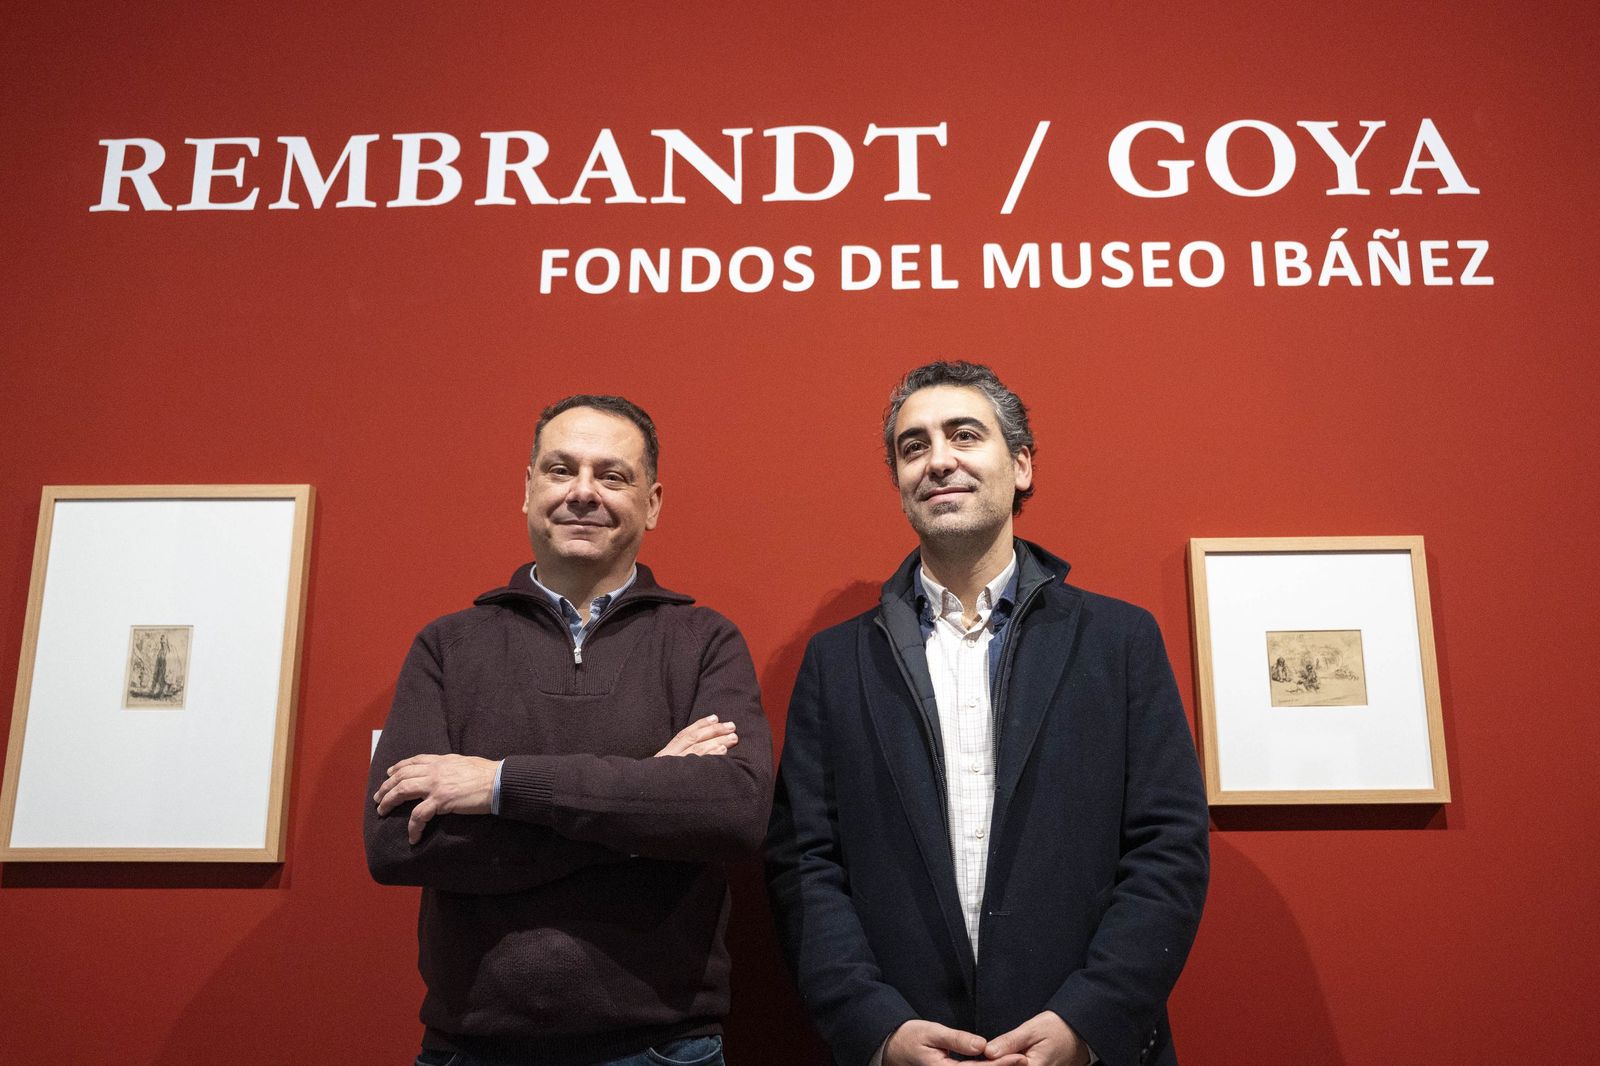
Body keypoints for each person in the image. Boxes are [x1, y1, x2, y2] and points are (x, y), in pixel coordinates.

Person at [766, 362, 1208, 1066]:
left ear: (1022, 465)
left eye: (964, 435)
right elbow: (805, 864)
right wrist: (876, 1028)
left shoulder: (1119, 641)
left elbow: (1169, 848)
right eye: (914, 447)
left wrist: (1087, 1021)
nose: (938, 460)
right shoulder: (835, 663)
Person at [366, 394, 771, 1066]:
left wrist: (500, 785)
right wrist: (647, 800)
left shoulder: (704, 641)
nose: (583, 493)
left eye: (612, 477)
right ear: (528, 489)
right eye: (561, 471)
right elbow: (396, 845)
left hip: (663, 1049)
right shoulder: (447, 646)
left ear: (653, 502)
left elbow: (734, 814)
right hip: (472, 1050)